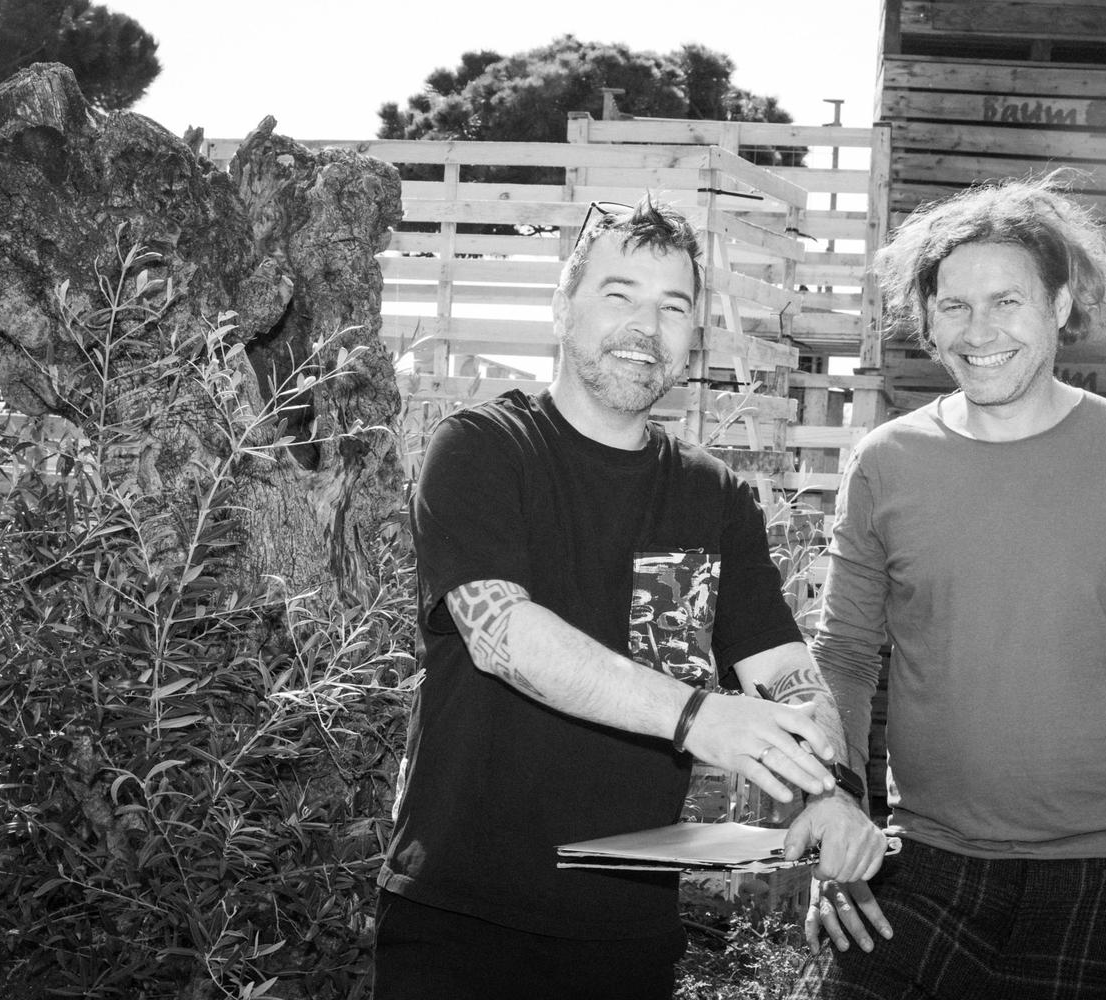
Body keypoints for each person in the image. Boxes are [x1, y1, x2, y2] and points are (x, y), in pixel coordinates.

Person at [374, 196, 887, 1000]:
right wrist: (698, 718)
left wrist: (832, 793)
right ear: (563, 309)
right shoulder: (483, 449)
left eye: (673, 306)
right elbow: (503, 636)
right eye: (619, 295)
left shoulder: (713, 498)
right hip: (463, 920)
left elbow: (784, 667)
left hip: (628, 934)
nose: (646, 326)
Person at [790, 173, 1106, 1000]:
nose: (979, 331)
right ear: (928, 320)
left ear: (1060, 305)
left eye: (1007, 302)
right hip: (920, 858)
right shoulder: (886, 462)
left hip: (1101, 870)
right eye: (954, 306)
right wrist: (836, 804)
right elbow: (845, 656)